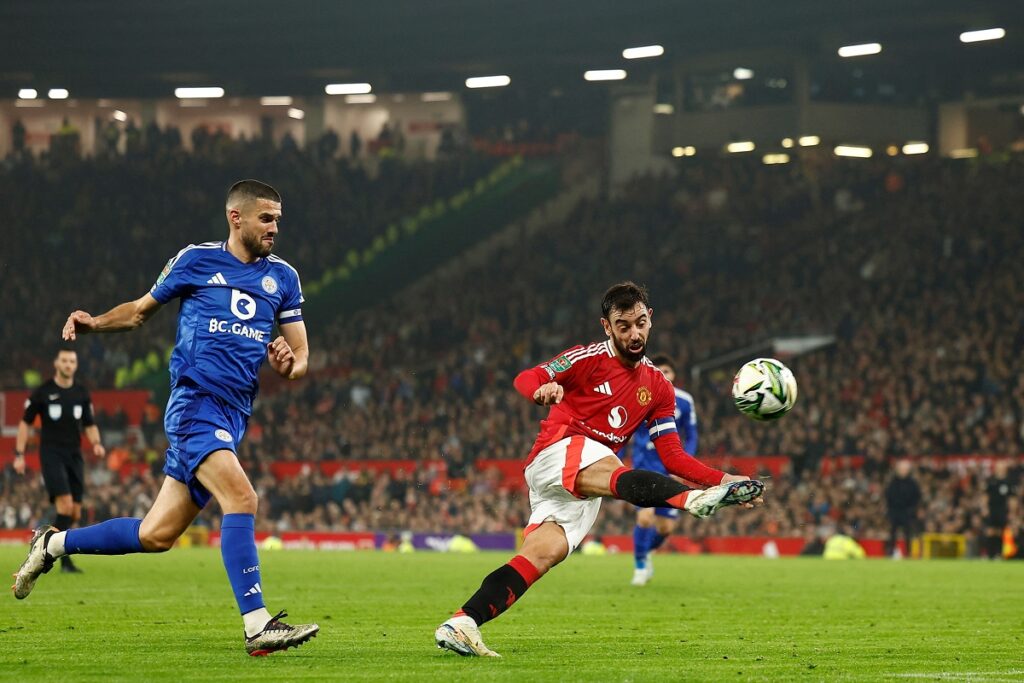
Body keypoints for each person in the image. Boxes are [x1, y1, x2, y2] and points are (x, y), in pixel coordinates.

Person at [12, 179, 319, 656]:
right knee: (242, 497)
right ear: (235, 218)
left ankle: (50, 545)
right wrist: (95, 322)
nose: (275, 227)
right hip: (194, 405)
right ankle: (258, 625)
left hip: (233, 415)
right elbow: (138, 312)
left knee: (155, 536)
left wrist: (289, 364)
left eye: (278, 218)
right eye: (266, 218)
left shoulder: (284, 278)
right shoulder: (196, 260)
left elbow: (301, 355)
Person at [434, 282, 764, 657]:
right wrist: (540, 391)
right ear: (607, 326)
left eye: (640, 323)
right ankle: (693, 502)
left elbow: (673, 456)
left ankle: (462, 622)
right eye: (623, 326)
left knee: (545, 553)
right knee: (614, 465)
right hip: (558, 452)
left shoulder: (658, 387)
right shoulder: (587, 358)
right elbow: (527, 378)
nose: (634, 333)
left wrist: (725, 478)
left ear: (650, 319)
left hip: (580, 482)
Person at [14, 347, 105, 574]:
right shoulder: (43, 392)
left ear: (75, 365)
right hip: (51, 455)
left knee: (74, 513)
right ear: (57, 363)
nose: (68, 365)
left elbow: (89, 423)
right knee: (64, 506)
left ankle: (47, 546)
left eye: (72, 361)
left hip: (75, 455)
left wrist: (96, 443)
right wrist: (19, 454)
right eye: (64, 361)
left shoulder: (81, 393)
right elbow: (25, 423)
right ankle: (52, 556)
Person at [627, 353, 697, 586]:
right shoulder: (639, 395)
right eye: (660, 371)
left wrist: (684, 464)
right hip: (644, 464)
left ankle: (646, 553)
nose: (664, 375)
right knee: (645, 517)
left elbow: (692, 434)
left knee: (666, 528)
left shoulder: (685, 401)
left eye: (668, 371)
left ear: (674, 375)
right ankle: (639, 566)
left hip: (670, 467)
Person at [884, 459, 921, 558]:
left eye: (905, 469)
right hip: (895, 511)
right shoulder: (893, 482)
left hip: (907, 512)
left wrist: (912, 509)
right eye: (901, 469)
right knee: (892, 533)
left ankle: (908, 553)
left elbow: (917, 498)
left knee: (907, 533)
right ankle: (890, 552)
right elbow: (888, 497)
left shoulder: (912, 483)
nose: (903, 471)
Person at [982, 460, 1016, 559]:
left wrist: (1012, 512)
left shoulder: (1009, 482)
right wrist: (985, 508)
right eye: (999, 466)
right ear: (996, 468)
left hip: (1003, 510)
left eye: (1002, 466)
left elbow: (1012, 499)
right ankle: (989, 554)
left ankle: (999, 554)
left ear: (1005, 469)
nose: (1000, 468)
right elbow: (985, 495)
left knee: (1001, 531)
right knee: (990, 531)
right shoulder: (991, 480)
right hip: (992, 509)